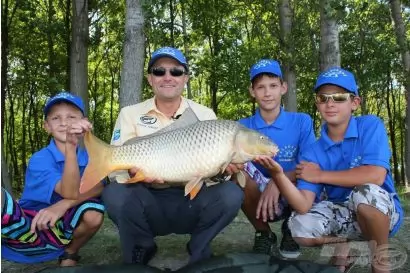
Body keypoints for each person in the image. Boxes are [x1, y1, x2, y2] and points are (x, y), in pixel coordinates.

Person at [102, 47, 244, 265]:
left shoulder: (204, 115)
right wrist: (133, 171)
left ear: (185, 78)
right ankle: (143, 246)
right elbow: (117, 172)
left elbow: (213, 174)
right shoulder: (129, 114)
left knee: (231, 194)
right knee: (114, 194)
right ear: (150, 79)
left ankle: (199, 246)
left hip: (191, 198)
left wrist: (224, 170)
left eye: (176, 72)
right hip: (147, 196)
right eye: (159, 71)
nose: (167, 77)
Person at [253, 67, 403, 273]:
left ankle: (380, 261)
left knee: (365, 195)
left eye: (339, 97)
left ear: (355, 103)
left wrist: (320, 175)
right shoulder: (313, 152)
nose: (330, 103)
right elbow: (303, 205)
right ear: (317, 103)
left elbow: (376, 175)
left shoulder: (370, 125)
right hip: (340, 213)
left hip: (381, 211)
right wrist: (278, 176)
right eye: (323, 98)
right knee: (298, 226)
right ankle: (346, 245)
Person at [1, 92, 105, 266]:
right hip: (29, 226)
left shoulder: (91, 156)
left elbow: (101, 185)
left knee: (93, 212)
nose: (64, 123)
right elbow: (69, 191)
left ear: (85, 122)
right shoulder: (40, 159)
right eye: (56, 118)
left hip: (62, 230)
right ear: (46, 126)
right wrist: (71, 148)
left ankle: (70, 253)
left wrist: (63, 204)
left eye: (72, 117)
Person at [238, 59, 315, 258]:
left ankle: (292, 228)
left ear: (283, 88)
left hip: (293, 187)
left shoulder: (302, 121)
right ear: (252, 91)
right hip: (259, 193)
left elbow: (309, 166)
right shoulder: (242, 126)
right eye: (260, 87)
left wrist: (277, 181)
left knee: (315, 176)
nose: (267, 93)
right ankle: (264, 233)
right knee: (236, 174)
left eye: (273, 86)